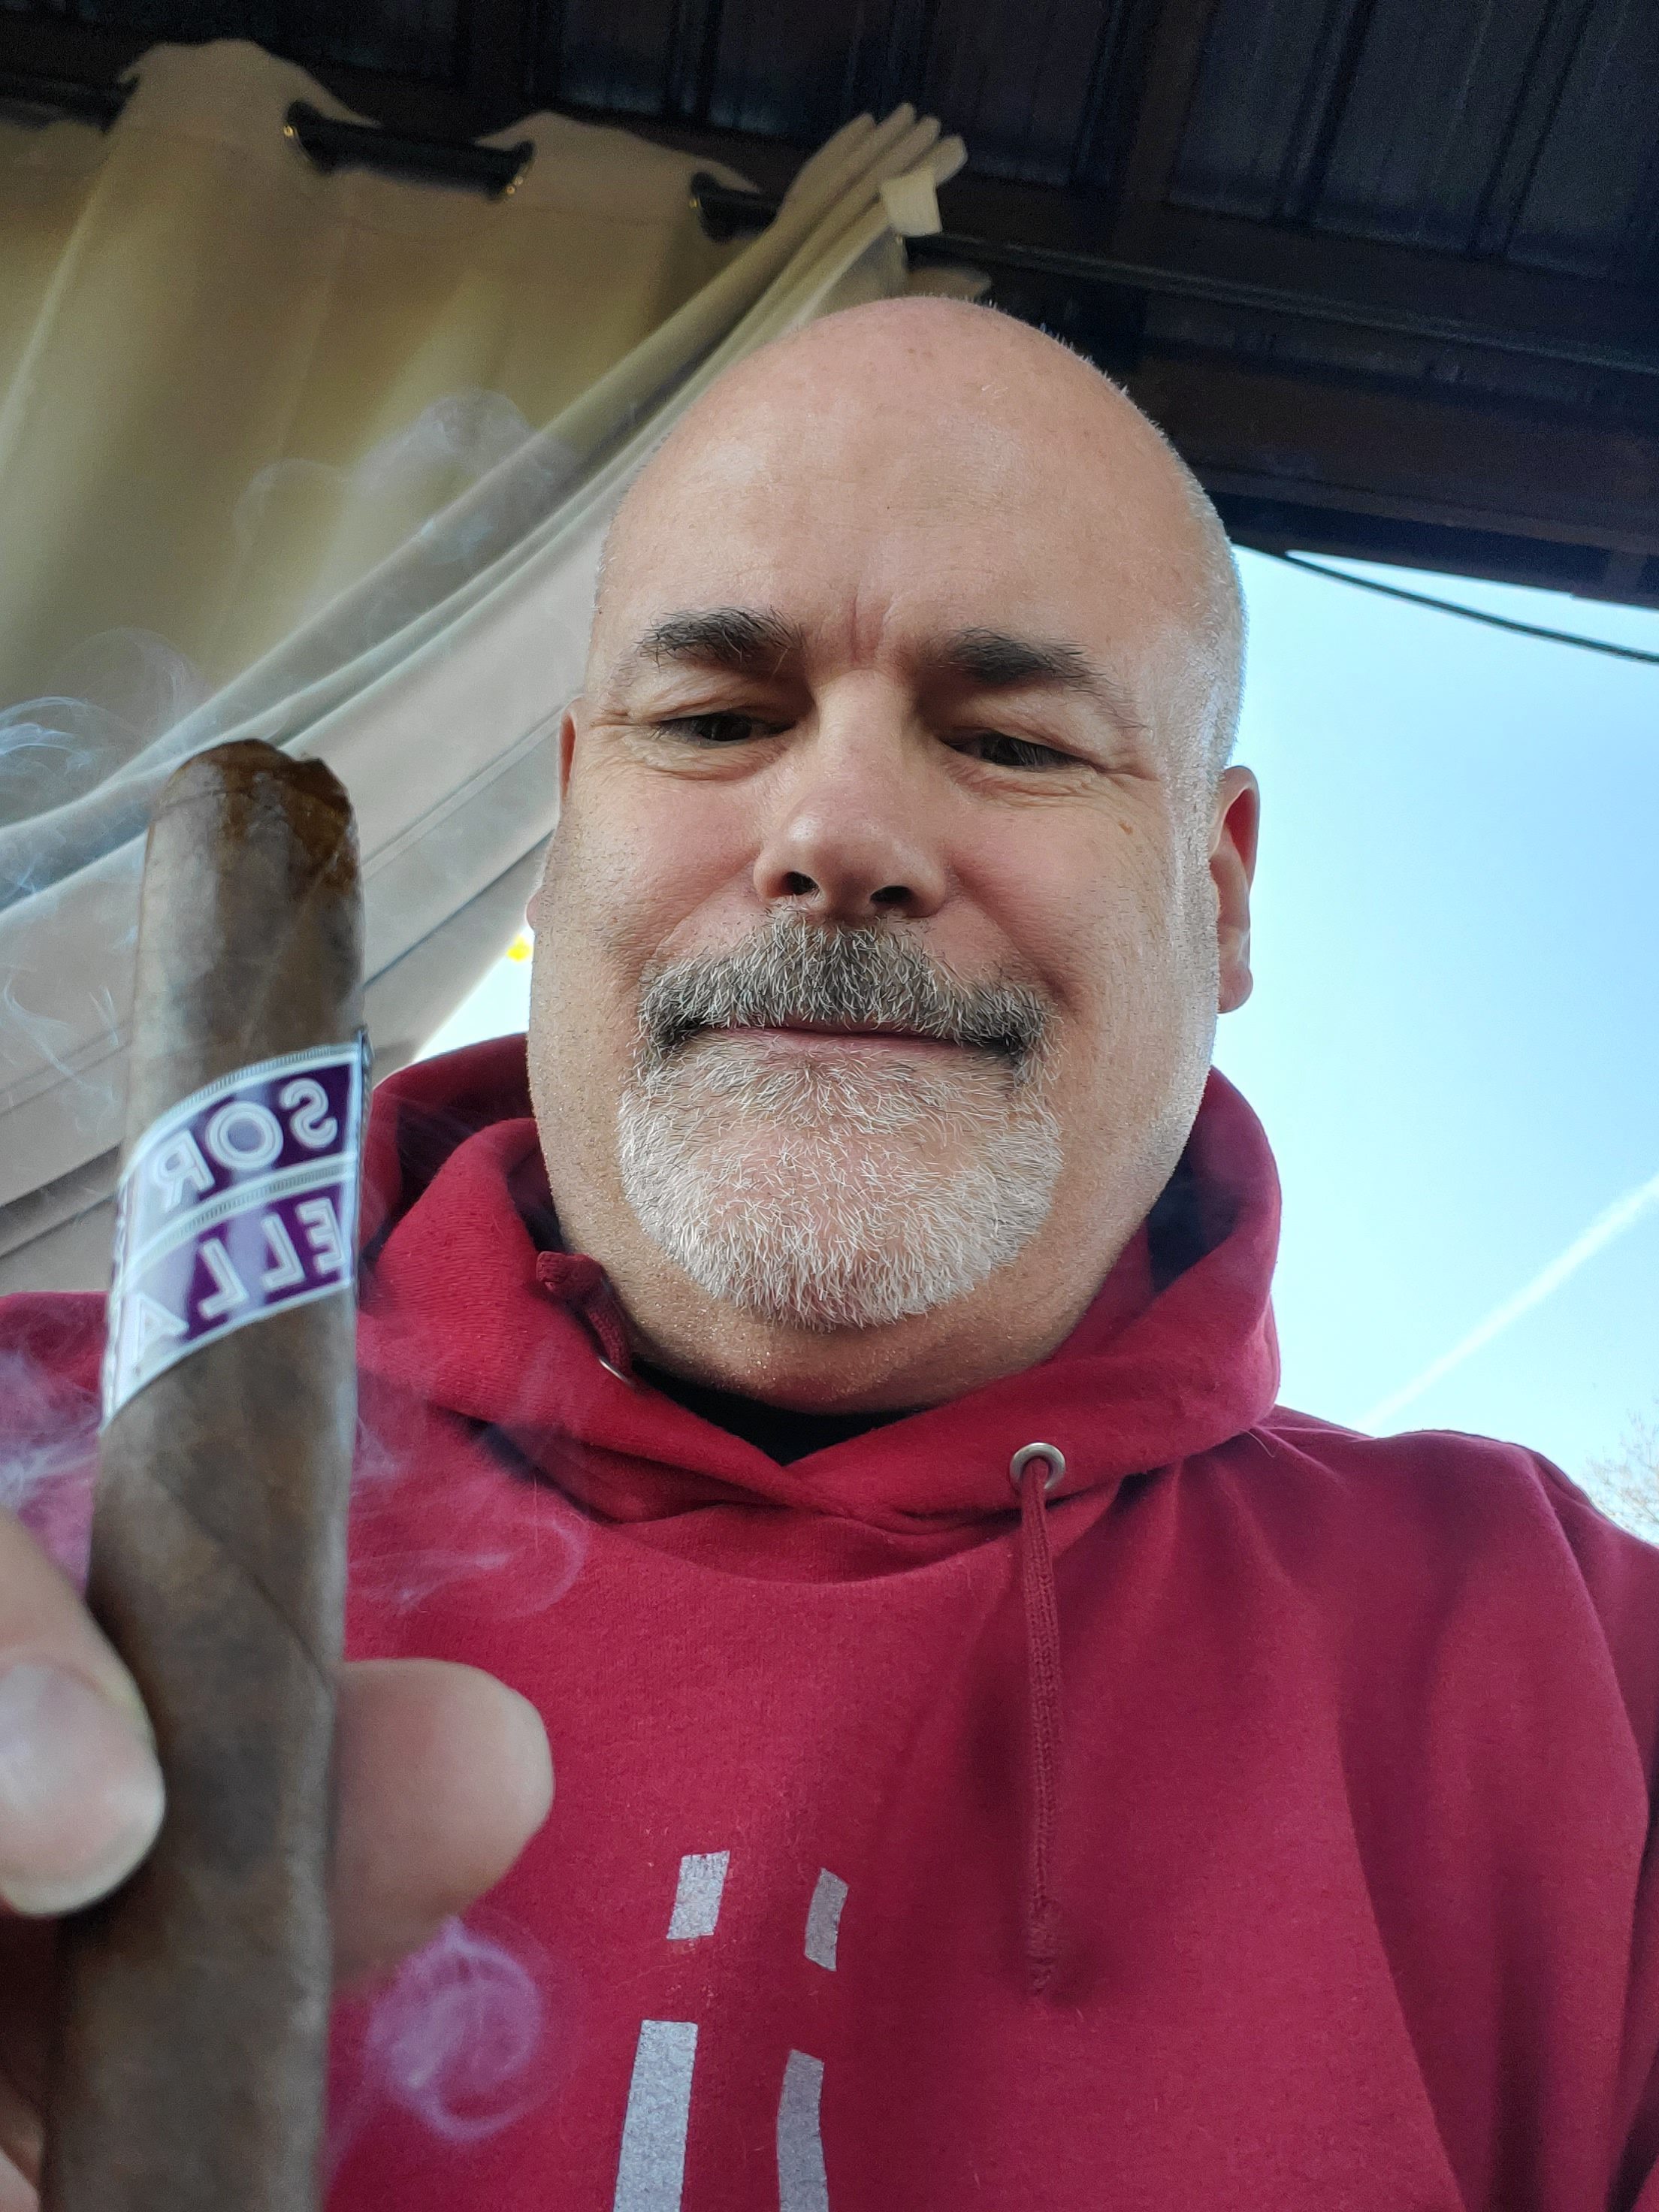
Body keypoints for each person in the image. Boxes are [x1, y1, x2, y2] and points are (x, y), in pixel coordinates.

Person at [0, 296, 1655, 2212]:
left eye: (1013, 739)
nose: (838, 828)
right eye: (715, 720)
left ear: (1215, 897)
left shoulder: (1576, 1679)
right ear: (566, 824)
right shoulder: (39, 1447)